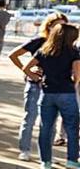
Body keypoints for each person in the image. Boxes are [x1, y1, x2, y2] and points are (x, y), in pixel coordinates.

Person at [21, 22, 80, 169]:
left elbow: (26, 67)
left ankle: (45, 161)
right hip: (67, 93)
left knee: (45, 127)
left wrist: (37, 78)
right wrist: (74, 83)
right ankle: (72, 159)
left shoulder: (44, 51)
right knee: (72, 127)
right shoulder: (73, 52)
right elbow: (77, 74)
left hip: (47, 92)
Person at [9, 12, 67, 161]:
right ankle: (25, 149)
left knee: (50, 122)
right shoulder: (39, 41)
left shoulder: (67, 46)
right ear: (49, 26)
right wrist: (27, 71)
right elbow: (13, 55)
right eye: (57, 25)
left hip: (55, 88)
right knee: (30, 117)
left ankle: (46, 155)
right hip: (35, 85)